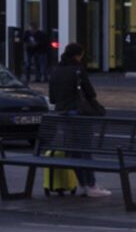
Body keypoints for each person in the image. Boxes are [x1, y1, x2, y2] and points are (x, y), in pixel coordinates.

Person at [42, 40, 106, 199]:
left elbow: (52, 98)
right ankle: (91, 185)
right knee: (86, 150)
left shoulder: (55, 71)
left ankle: (83, 185)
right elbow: (90, 93)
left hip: (62, 114)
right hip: (78, 113)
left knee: (74, 151)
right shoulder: (77, 70)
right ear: (78, 55)